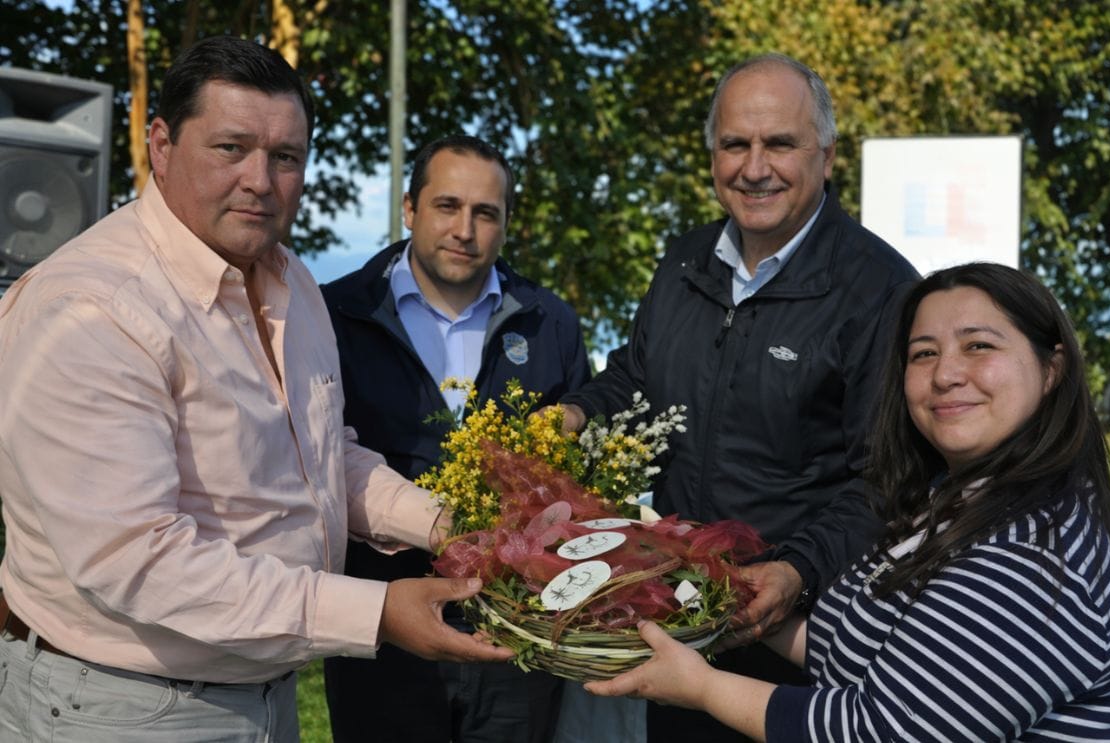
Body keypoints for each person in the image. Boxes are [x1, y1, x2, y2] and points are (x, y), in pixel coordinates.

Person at [0, 36, 510, 743]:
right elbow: (137, 561)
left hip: (264, 694)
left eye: (285, 158)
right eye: (230, 148)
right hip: (120, 707)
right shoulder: (91, 307)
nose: (260, 180)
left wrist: (446, 522)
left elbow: (326, 457)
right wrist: (377, 612)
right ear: (161, 143)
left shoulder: (293, 282)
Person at [586, 262, 1110, 741]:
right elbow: (867, 652)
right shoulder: (953, 501)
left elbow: (881, 730)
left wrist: (703, 687)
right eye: (923, 353)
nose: (946, 375)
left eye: (978, 346)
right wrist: (736, 608)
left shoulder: (1032, 559)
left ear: (1052, 368)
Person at [556, 53, 918, 739]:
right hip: (683, 620)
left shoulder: (879, 289)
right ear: (713, 155)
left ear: (827, 155)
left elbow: (891, 479)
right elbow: (636, 377)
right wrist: (573, 414)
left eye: (779, 143)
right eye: (735, 144)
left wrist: (797, 569)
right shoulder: (683, 260)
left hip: (806, 643)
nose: (755, 167)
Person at [320, 134, 591, 742]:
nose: (464, 229)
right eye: (447, 206)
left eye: (485, 213)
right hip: (384, 628)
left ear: (505, 225)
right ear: (410, 209)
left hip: (517, 638)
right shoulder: (336, 315)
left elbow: (582, 474)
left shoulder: (550, 323)